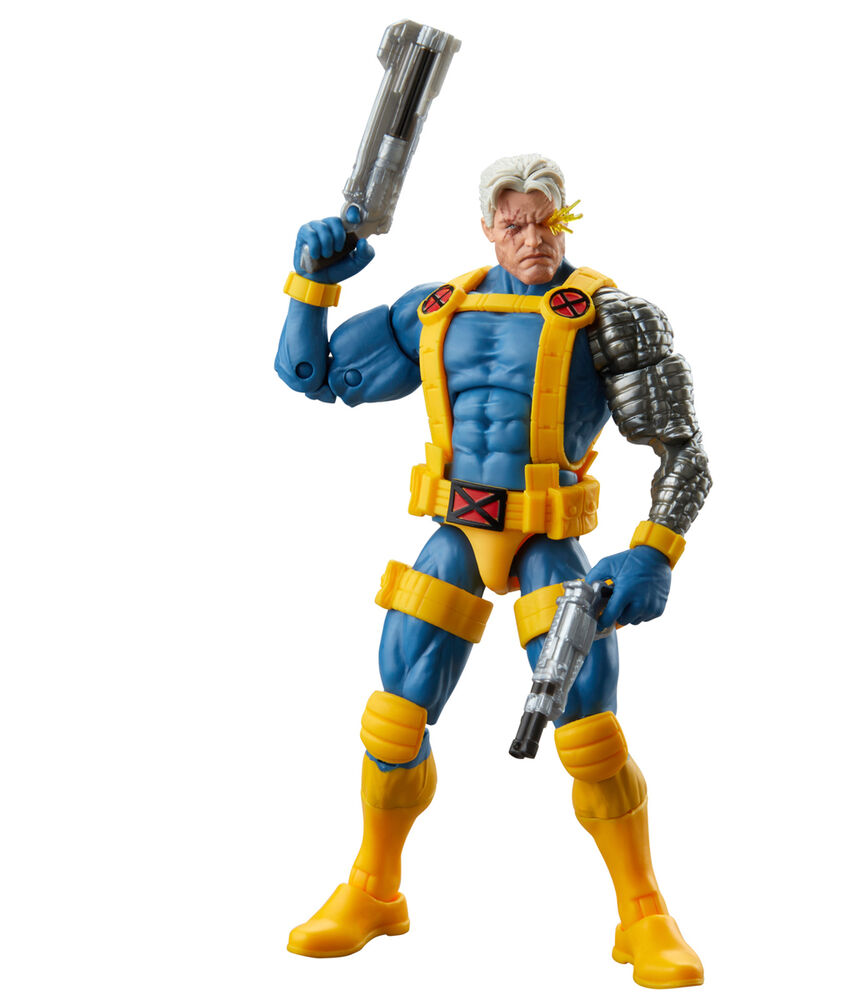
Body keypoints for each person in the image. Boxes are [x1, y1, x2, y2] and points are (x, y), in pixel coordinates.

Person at [275, 153, 712, 989]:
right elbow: (314, 375)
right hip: (455, 530)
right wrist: (311, 285)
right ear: (488, 228)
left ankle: (643, 912)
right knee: (394, 718)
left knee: (588, 730)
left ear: (566, 220)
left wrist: (655, 550)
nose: (533, 237)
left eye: (547, 222)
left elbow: (685, 453)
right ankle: (373, 889)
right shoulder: (437, 309)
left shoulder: (611, 316)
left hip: (547, 537)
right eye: (514, 224)